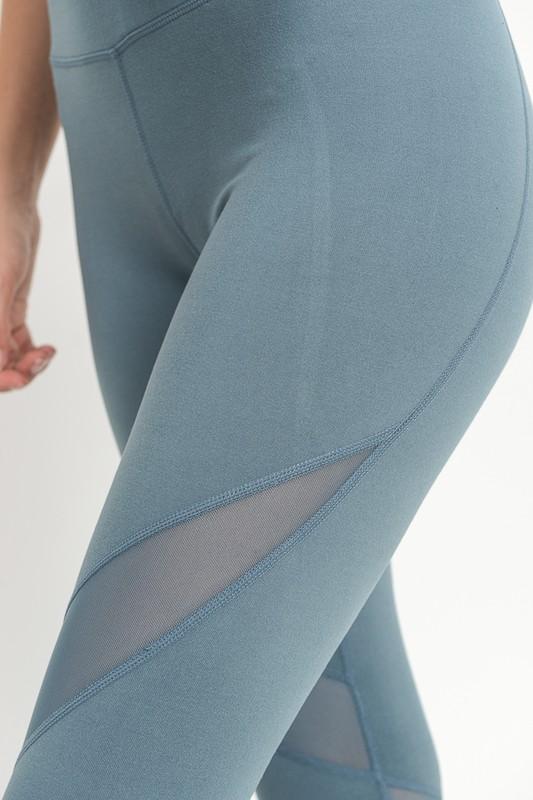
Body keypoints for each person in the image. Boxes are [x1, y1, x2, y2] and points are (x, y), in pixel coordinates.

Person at [1, 1, 532, 798]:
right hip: (114, 139)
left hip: (367, 110)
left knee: (105, 765)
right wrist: (9, 184)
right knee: (327, 749)